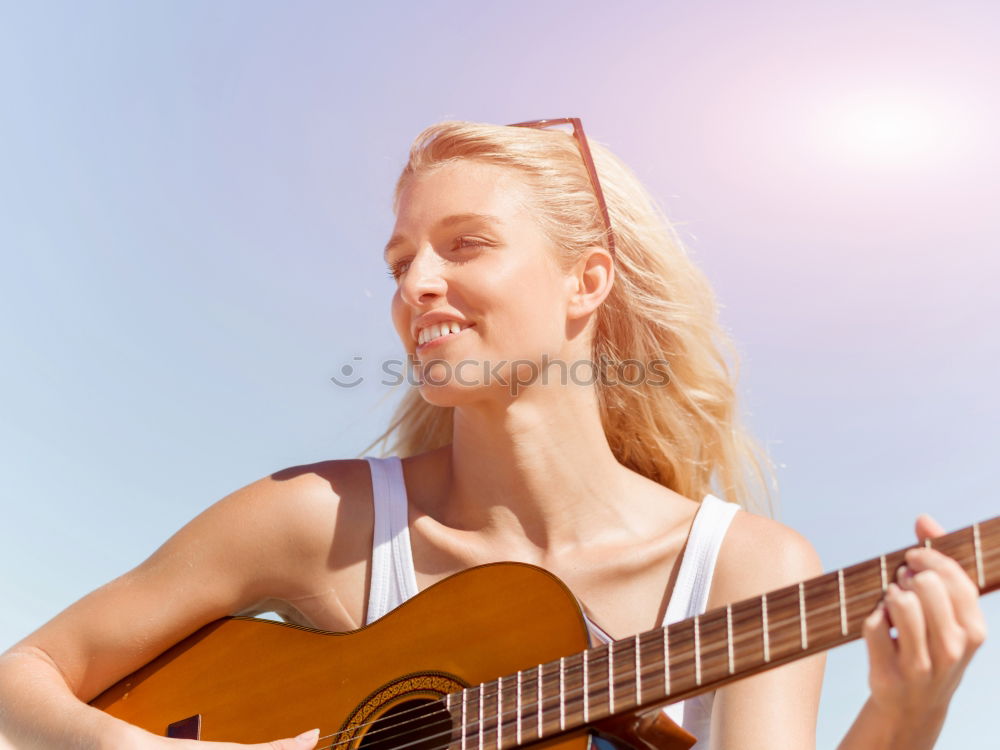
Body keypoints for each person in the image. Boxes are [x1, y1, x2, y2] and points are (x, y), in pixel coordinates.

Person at [0, 119, 986, 750]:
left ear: (585, 282)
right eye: (399, 260)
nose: (414, 284)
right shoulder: (318, 520)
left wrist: (903, 715)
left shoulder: (746, 571)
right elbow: (22, 679)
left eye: (463, 244)